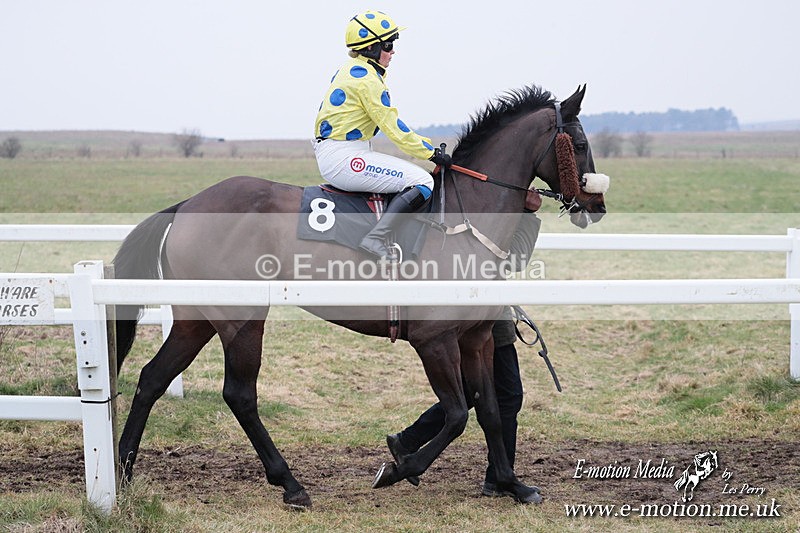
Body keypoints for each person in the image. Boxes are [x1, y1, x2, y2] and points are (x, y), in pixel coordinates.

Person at [386, 189, 543, 501]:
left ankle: (409, 441)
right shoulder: (495, 210)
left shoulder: (480, 207)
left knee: (479, 394)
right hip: (481, 315)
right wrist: (527, 215)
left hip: (482, 310)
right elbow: (516, 260)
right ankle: (498, 477)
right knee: (502, 396)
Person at [313, 10, 451, 259]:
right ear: (371, 48)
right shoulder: (367, 81)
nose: (393, 51)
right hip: (343, 158)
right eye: (388, 45)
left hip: (343, 151)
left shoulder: (353, 69)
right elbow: (394, 129)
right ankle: (375, 239)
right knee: (423, 182)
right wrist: (430, 152)